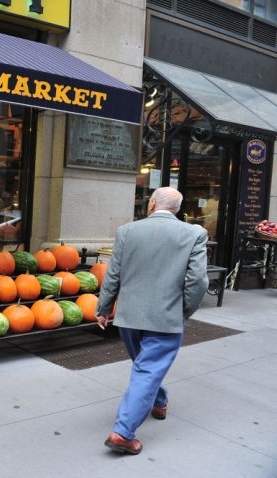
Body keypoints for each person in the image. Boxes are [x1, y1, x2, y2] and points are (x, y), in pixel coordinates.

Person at [95, 186, 208, 455]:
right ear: (177, 209)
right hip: (165, 318)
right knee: (148, 370)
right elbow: (198, 282)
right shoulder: (195, 234)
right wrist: (183, 312)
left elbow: (113, 275)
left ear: (151, 205)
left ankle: (158, 401)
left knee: (145, 367)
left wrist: (104, 308)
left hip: (129, 318)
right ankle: (122, 433)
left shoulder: (127, 231)